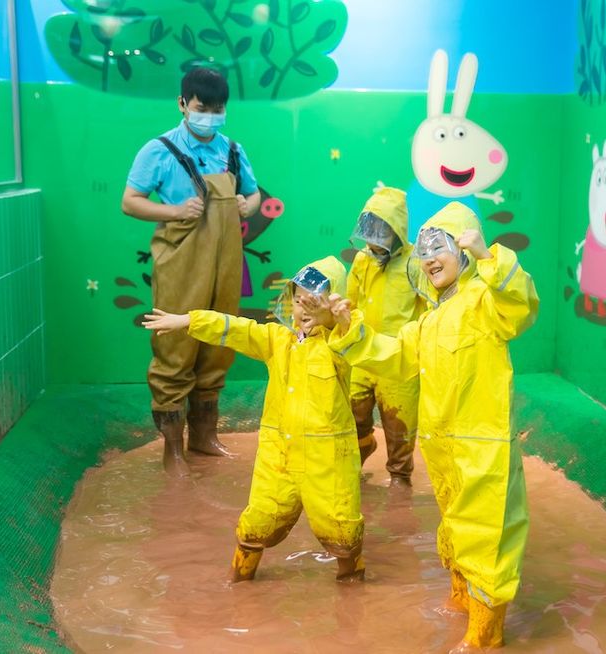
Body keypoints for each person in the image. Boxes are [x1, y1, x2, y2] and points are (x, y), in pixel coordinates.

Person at [310, 202, 538, 650]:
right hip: (444, 448)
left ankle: (485, 636)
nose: (430, 258)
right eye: (425, 250)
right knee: (454, 528)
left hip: (482, 447)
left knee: (487, 534)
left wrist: (492, 258)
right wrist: (346, 327)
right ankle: (460, 602)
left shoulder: (486, 300)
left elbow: (521, 304)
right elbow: (394, 356)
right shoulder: (429, 318)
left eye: (442, 247)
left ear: (466, 251)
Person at [142, 256, 366, 583]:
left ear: (331, 305)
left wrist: (336, 322)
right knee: (257, 525)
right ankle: (238, 581)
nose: (303, 308)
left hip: (329, 461)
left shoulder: (339, 346)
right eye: (298, 298)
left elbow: (352, 334)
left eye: (314, 300)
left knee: (342, 532)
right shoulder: (278, 340)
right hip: (279, 458)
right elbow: (235, 329)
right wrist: (188, 321)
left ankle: (351, 585)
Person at [122, 67, 262, 476]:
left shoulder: (232, 150)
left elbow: (253, 195)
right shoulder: (159, 149)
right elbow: (130, 201)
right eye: (202, 108)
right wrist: (174, 210)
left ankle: (204, 437)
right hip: (181, 259)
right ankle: (173, 450)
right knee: (176, 345)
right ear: (183, 104)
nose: (210, 116)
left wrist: (245, 206)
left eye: (218, 109)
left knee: (219, 339)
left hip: (225, 260)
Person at [345, 187, 426, 486]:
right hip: (363, 354)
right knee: (353, 411)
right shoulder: (361, 262)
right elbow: (351, 303)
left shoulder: (415, 263)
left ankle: (400, 475)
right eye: (369, 230)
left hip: (399, 359)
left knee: (399, 424)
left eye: (381, 231)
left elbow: (429, 309)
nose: (372, 239)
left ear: (397, 230)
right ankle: (363, 446)